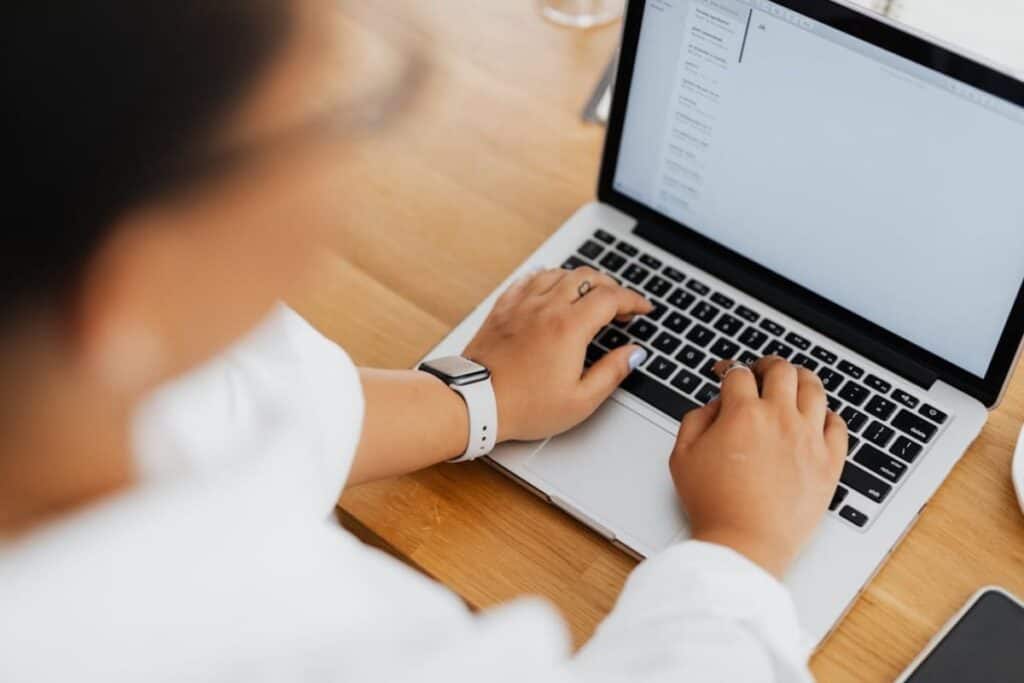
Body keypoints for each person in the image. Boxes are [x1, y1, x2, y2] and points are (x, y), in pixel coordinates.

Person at [0, 2, 847, 681]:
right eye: (334, 115)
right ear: (129, 287)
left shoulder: (55, 389)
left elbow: (228, 402)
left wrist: (479, 395)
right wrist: (743, 545)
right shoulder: (275, 640)